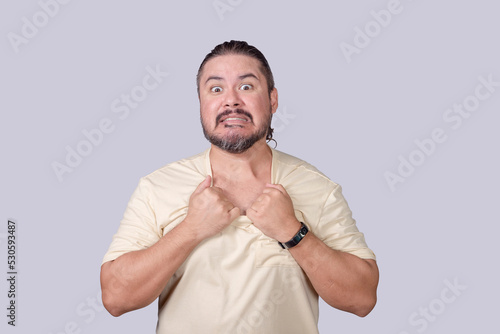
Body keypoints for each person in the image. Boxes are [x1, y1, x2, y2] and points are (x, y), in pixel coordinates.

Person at [100, 40, 379, 334]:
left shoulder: (318, 189)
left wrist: (292, 232)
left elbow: (361, 299)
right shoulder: (157, 187)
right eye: (216, 89)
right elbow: (116, 298)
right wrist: (191, 229)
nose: (231, 101)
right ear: (201, 103)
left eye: (246, 87)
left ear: (272, 100)